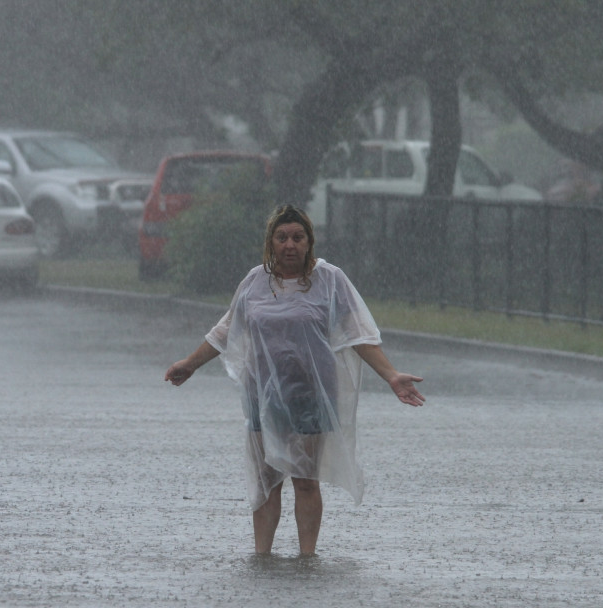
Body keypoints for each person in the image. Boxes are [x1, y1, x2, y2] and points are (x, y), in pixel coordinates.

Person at [165, 204, 425, 557]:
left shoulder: (329, 280)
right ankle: (262, 555)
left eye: (298, 237)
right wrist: (191, 364)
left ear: (309, 242)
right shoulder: (255, 281)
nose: (290, 245)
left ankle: (307, 556)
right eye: (282, 237)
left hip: (311, 395)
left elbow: (358, 334)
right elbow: (228, 328)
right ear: (271, 242)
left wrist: (391, 375)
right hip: (262, 396)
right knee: (266, 482)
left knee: (304, 480)